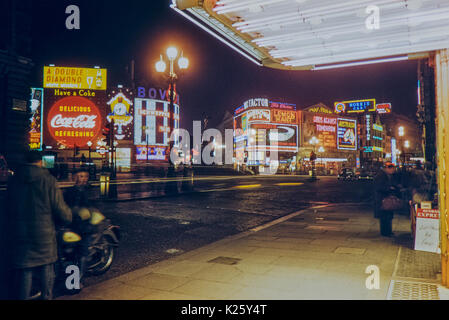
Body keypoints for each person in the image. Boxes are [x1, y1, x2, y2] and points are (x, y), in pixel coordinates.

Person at [6, 150, 72, 300]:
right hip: (44, 233)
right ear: (40, 162)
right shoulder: (48, 180)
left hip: (20, 232)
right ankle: (46, 297)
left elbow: (7, 208)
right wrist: (68, 217)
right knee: (47, 267)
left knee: (25, 270)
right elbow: (59, 208)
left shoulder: (14, 180)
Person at [63, 167, 93, 285]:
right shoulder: (70, 191)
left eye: (85, 176)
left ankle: (77, 280)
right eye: (81, 176)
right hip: (73, 225)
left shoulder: (89, 191)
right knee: (71, 253)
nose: (84, 179)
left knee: (82, 253)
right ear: (75, 177)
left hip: (85, 227)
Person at [373, 162, 401, 237]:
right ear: (388, 168)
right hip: (383, 199)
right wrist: (389, 188)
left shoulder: (387, 175)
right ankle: (385, 232)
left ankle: (388, 231)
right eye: (392, 169)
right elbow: (379, 187)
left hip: (385, 198)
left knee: (388, 216)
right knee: (385, 217)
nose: (393, 170)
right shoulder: (381, 176)